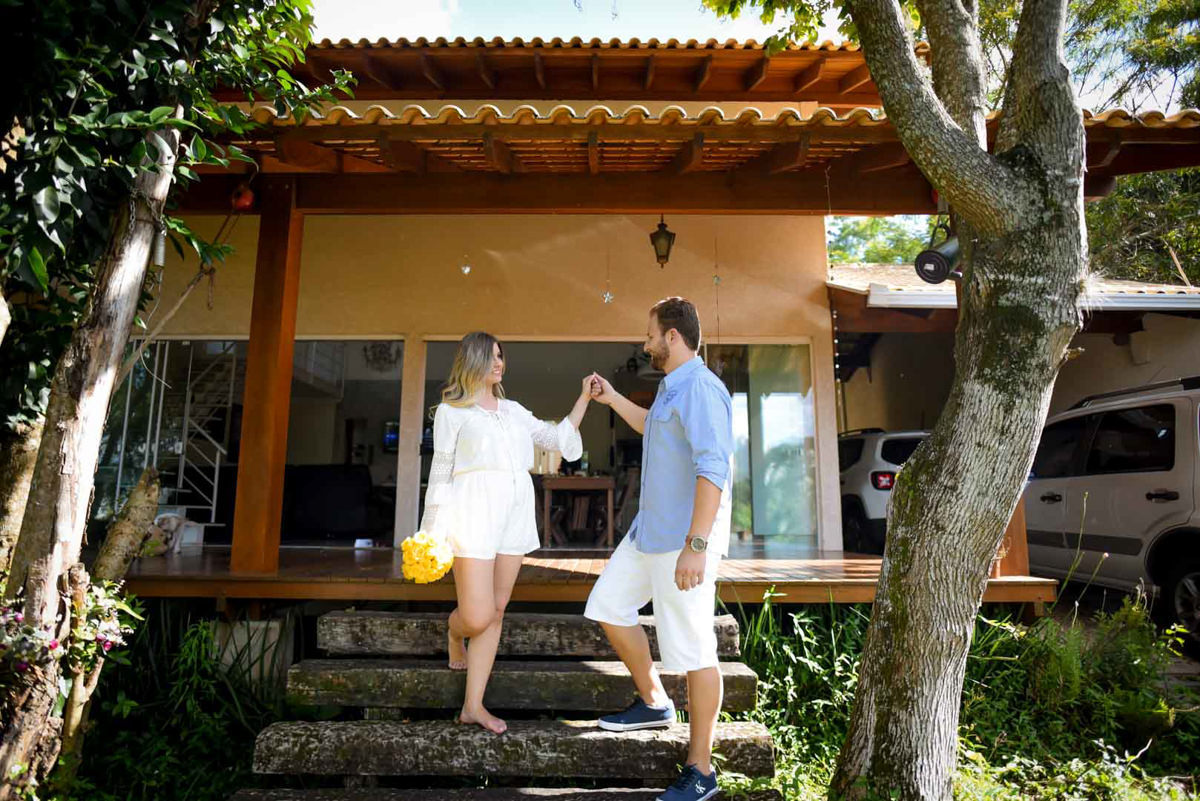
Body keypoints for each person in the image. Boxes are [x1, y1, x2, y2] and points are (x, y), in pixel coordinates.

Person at [584, 297, 733, 801]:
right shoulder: (672, 389)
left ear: (672, 337)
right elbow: (652, 427)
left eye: (650, 334)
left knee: (694, 649)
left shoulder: (702, 389)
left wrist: (696, 545)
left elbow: (714, 469)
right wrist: (610, 401)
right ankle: (653, 700)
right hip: (649, 533)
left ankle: (702, 770)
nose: (645, 343)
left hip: (682, 542)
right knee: (607, 605)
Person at [420, 331, 594, 734]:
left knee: (497, 610)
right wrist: (432, 530)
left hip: (515, 514)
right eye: (492, 356)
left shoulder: (513, 410)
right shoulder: (452, 412)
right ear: (473, 361)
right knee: (477, 614)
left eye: (502, 356)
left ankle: (473, 705)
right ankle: (454, 628)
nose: (500, 363)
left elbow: (555, 440)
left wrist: (583, 398)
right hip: (473, 512)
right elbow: (441, 472)